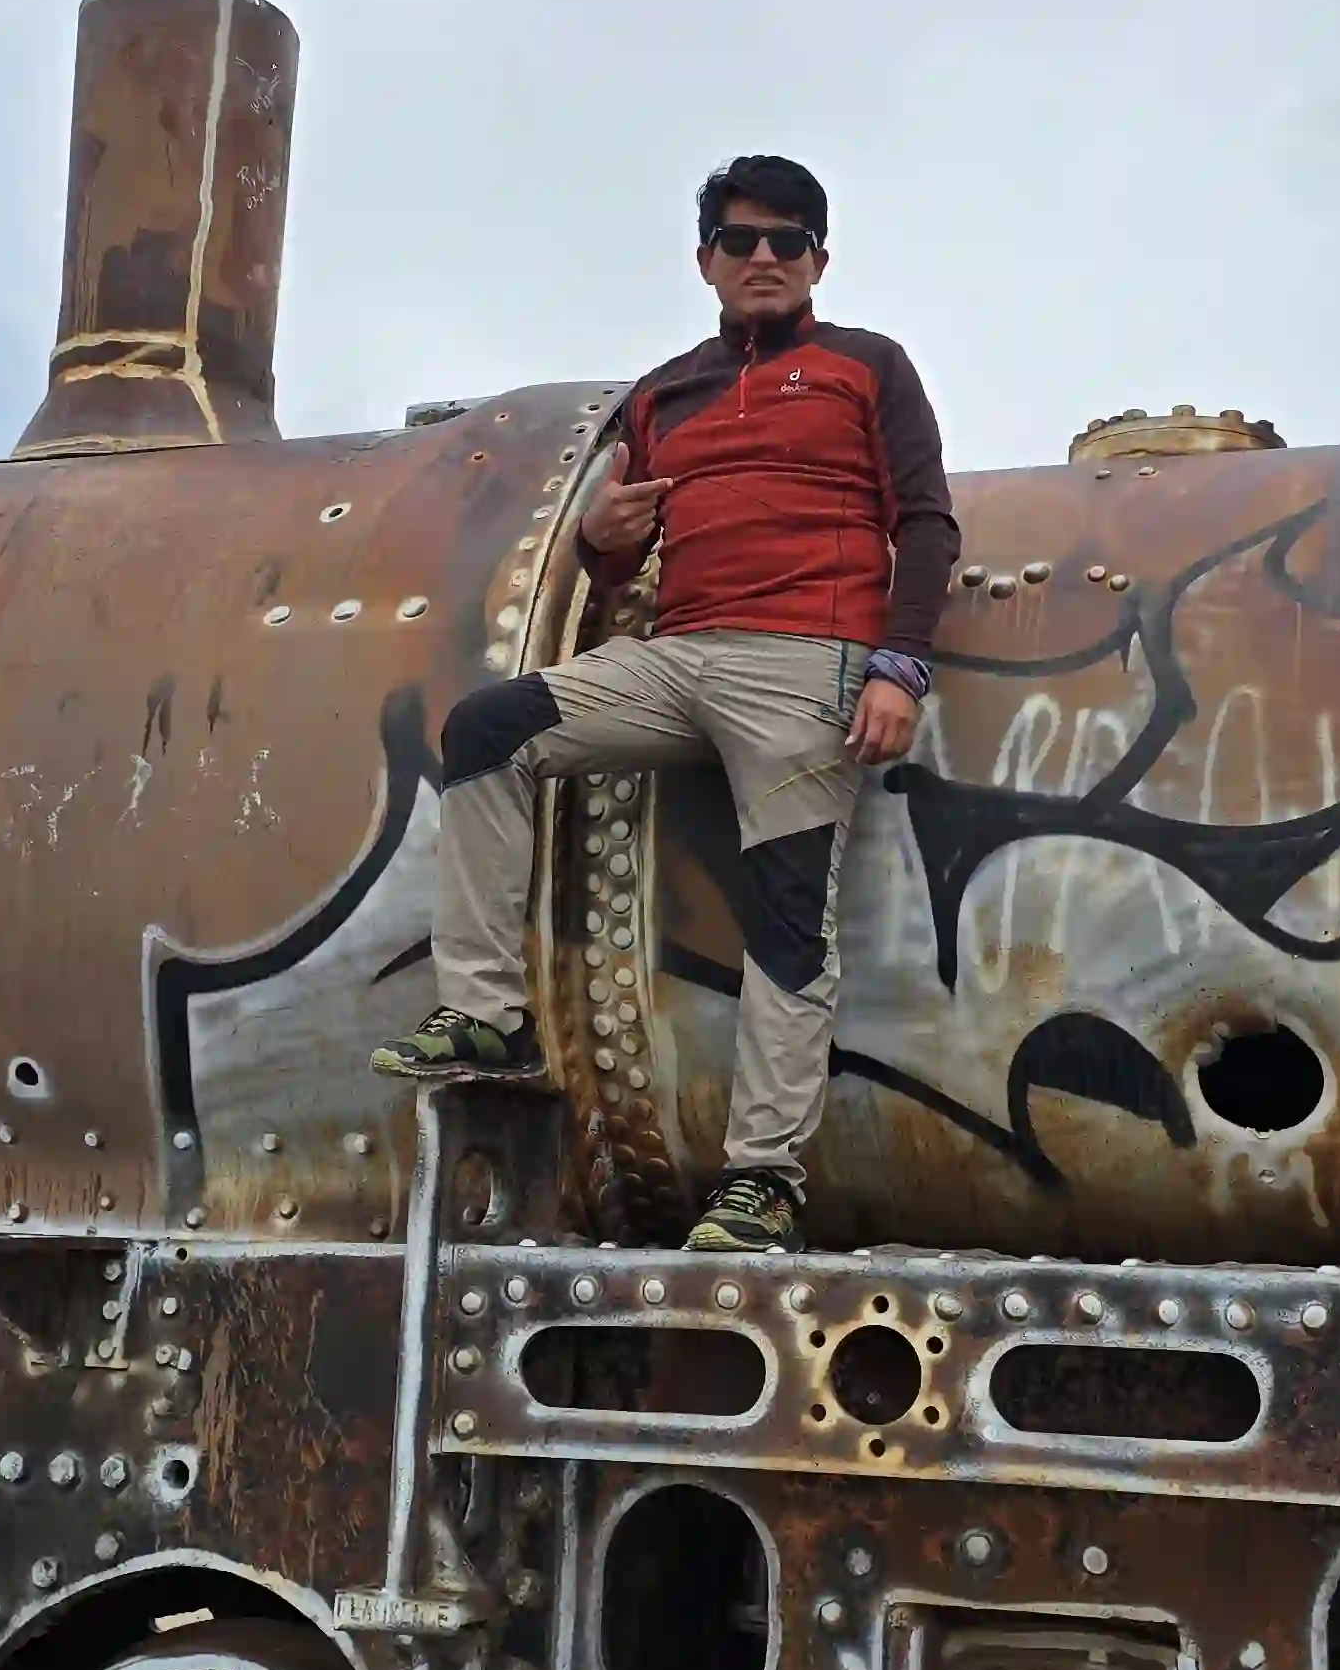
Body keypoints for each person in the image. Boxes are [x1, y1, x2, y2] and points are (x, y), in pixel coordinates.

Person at [375, 154, 958, 1254]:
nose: (764, 258)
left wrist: (899, 668)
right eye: (741, 241)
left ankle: (762, 1181)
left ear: (819, 260)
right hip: (674, 658)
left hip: (806, 665)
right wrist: (599, 545)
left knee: (785, 917)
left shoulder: (867, 366)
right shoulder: (661, 396)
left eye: (788, 241)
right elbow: (618, 560)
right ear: (706, 261)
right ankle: (490, 1017)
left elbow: (925, 522)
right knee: (488, 730)